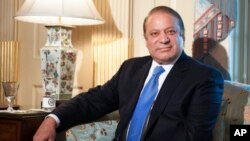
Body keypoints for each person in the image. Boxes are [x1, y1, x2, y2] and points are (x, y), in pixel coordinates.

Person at [34, 6, 224, 141]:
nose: (163, 39)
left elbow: (194, 136)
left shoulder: (204, 78)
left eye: (171, 31)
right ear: (147, 40)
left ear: (182, 35)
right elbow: (93, 100)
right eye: (155, 33)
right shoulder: (131, 69)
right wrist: (52, 119)